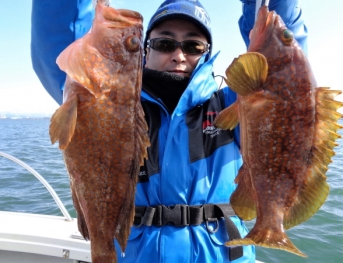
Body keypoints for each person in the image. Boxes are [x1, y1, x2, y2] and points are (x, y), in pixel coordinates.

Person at [31, 0, 308, 262]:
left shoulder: (236, 105)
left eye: (193, 45)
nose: (178, 55)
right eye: (165, 43)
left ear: (206, 54)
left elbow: (282, 69)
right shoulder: (103, 96)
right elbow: (56, 33)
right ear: (146, 50)